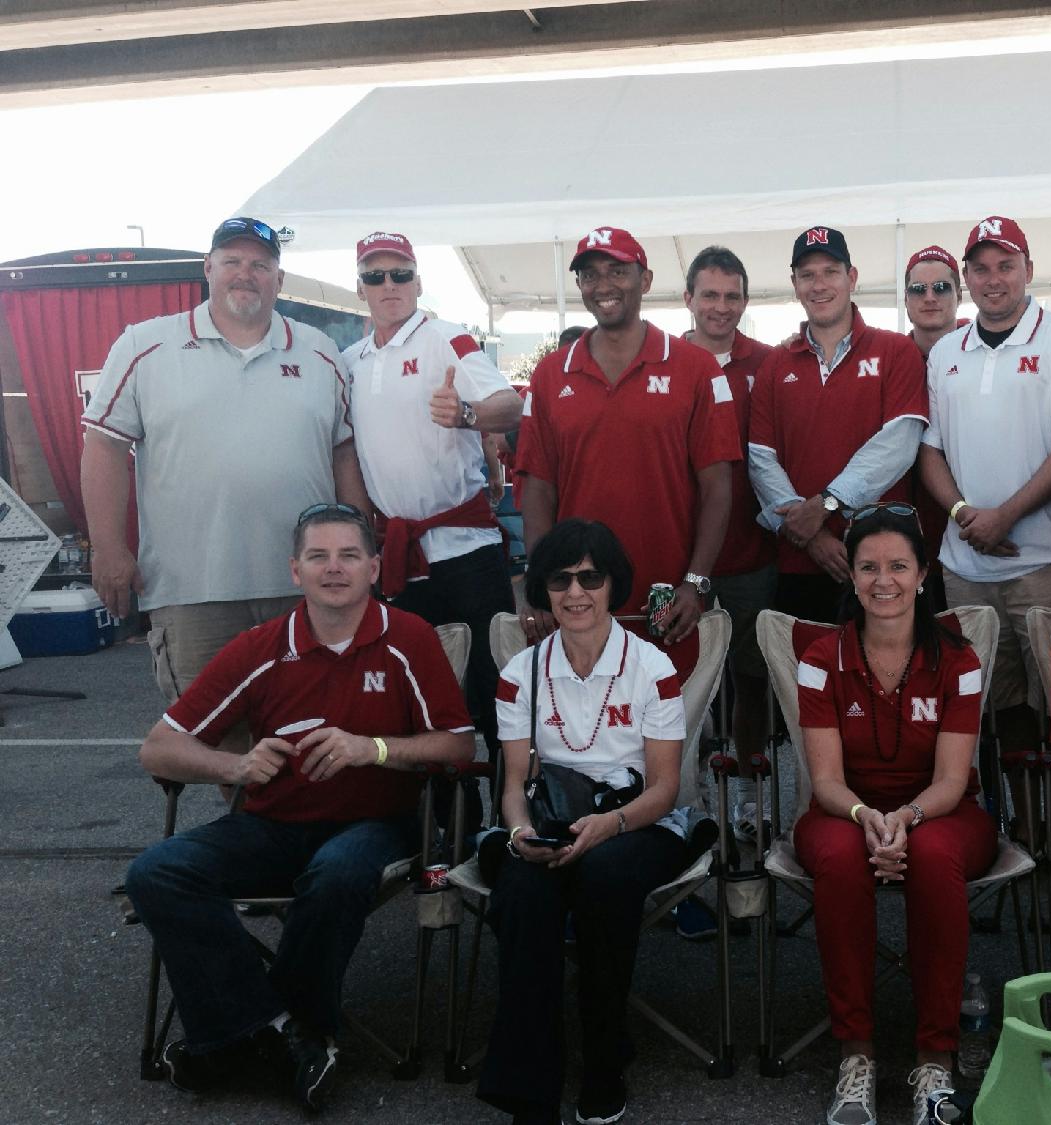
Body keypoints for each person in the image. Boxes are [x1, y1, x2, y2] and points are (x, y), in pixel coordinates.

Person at [123, 503, 473, 1111]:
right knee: (155, 872)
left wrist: (374, 748)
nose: (333, 569)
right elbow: (159, 749)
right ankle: (287, 1033)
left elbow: (459, 746)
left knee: (337, 872)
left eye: (347, 556)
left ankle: (240, 1037)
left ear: (373, 568)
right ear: (295, 570)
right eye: (318, 556)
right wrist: (233, 766)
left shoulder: (407, 638)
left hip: (378, 823)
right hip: (271, 825)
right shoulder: (261, 647)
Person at [81, 216, 368, 711]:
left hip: (305, 585)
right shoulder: (144, 346)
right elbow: (104, 446)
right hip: (191, 590)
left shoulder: (321, 353)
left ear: (278, 279)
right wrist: (108, 548)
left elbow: (344, 451)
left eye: (260, 264)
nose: (245, 273)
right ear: (208, 269)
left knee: (310, 721)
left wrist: (360, 544)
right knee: (214, 736)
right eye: (232, 261)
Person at [479, 520, 689, 1125]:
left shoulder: (651, 667)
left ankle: (604, 1060)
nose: (576, 592)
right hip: (549, 817)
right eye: (560, 579)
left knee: (603, 876)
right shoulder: (521, 672)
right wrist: (520, 834)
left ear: (612, 585)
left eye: (590, 577)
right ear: (543, 590)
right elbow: (514, 784)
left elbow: (666, 786)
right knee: (523, 888)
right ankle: (527, 1092)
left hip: (635, 819)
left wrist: (610, 825)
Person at [793, 503, 996, 1125]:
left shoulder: (959, 659)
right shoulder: (820, 657)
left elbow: (952, 780)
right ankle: (856, 1054)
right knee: (836, 855)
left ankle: (935, 1057)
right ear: (851, 577)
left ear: (923, 573)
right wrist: (865, 816)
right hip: (843, 807)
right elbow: (825, 780)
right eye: (869, 567)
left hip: (941, 809)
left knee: (934, 855)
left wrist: (904, 816)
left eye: (898, 567)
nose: (884, 581)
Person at [918, 215, 1051, 758]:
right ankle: (1016, 830)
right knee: (991, 714)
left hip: (1047, 562)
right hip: (966, 566)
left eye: (1006, 266)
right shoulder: (945, 352)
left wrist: (1006, 515)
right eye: (980, 269)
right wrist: (964, 515)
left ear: (1029, 270)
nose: (993, 279)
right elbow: (931, 449)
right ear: (966, 278)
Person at [344, 230, 523, 757]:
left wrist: (467, 415)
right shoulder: (350, 360)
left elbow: (509, 405)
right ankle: (442, 823)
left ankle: (507, 816)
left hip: (466, 550)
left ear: (418, 281)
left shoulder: (446, 336)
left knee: (494, 691)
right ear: (360, 289)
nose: (389, 285)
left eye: (400, 273)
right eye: (375, 276)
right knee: (414, 697)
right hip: (399, 556)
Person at [514, 225, 738, 647]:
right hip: (579, 599)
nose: (604, 286)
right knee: (588, 712)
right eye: (590, 275)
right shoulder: (549, 375)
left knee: (670, 709)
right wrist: (544, 585)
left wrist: (695, 582)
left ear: (645, 280)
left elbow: (718, 488)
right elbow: (538, 491)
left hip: (667, 601)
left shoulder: (695, 369)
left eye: (617, 272)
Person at [749, 225, 927, 624]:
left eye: (830, 271)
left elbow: (898, 443)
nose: (819, 284)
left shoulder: (895, 350)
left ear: (852, 277)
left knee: (885, 681)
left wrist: (827, 504)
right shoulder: (774, 366)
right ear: (794, 283)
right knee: (804, 680)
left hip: (884, 563)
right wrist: (810, 535)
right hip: (800, 563)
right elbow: (761, 460)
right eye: (807, 275)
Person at [681, 245, 777, 847]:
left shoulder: (766, 365)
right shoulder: (659, 360)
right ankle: (682, 800)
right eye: (710, 295)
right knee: (675, 689)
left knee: (752, 684)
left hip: (748, 554)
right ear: (688, 297)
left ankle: (750, 797)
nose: (721, 307)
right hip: (678, 558)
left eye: (732, 295)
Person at [903, 244, 967, 612]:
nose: (930, 297)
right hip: (903, 536)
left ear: (959, 295)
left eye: (941, 288)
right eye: (918, 289)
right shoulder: (889, 356)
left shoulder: (984, 352)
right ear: (906, 299)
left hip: (967, 533)